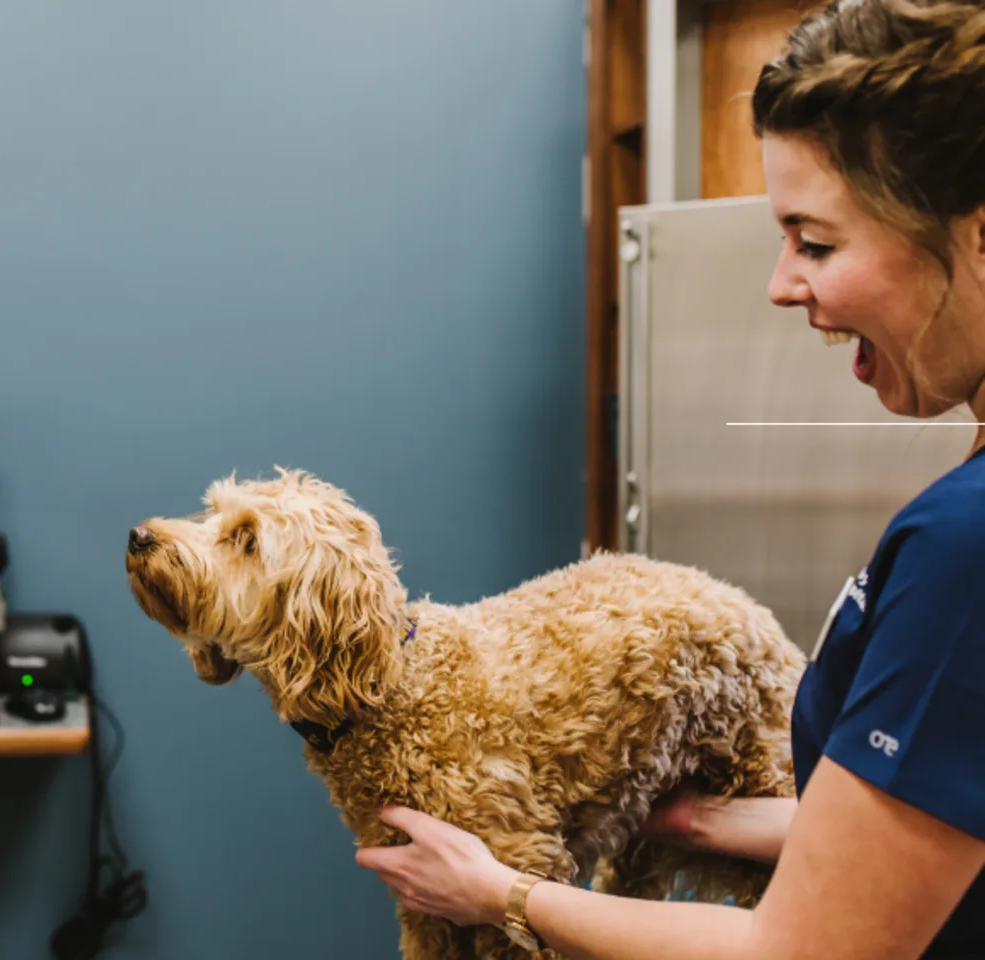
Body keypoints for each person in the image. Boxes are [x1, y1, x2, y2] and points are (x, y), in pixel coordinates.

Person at [355, 1, 985, 957]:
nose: (780, 283)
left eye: (816, 242)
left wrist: (502, 894)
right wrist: (705, 821)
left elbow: (799, 950)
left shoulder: (964, 546)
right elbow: (943, 817)